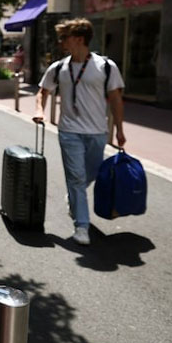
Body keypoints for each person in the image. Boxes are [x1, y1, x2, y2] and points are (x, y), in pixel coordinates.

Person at [33, 18, 126, 245]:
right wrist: (39, 110)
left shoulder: (105, 66)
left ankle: (74, 199)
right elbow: (43, 91)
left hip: (97, 132)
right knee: (76, 177)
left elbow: (115, 99)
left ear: (80, 39)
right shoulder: (59, 68)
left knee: (90, 175)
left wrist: (119, 130)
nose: (61, 42)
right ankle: (81, 226)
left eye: (65, 37)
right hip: (69, 132)